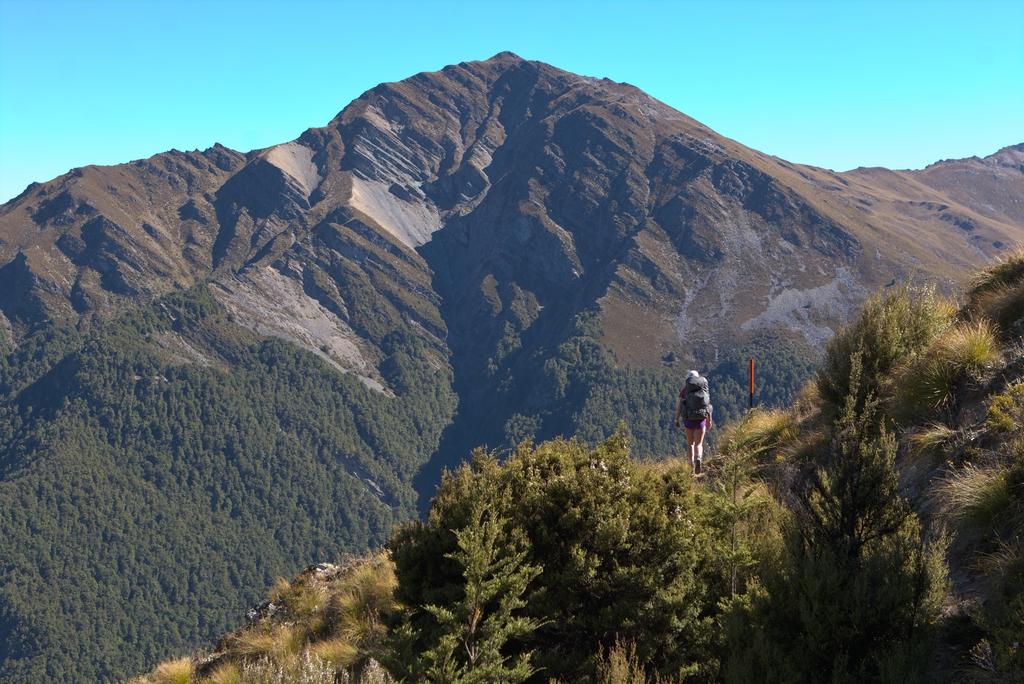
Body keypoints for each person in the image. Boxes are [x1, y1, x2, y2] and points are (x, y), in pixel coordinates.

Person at [675, 369, 713, 475]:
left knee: (690, 444)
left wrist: (677, 419)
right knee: (698, 444)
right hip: (701, 419)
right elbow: (707, 405)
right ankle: (699, 459)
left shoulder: (684, 391)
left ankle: (690, 465)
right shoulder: (704, 390)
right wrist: (709, 419)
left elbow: (679, 407)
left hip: (688, 420)